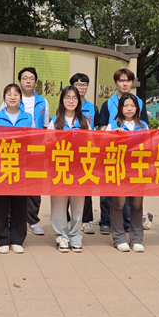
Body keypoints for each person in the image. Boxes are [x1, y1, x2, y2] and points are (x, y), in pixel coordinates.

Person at [96, 68, 151, 236]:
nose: (124, 83)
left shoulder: (139, 102)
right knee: (108, 191)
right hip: (113, 154)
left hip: (134, 158)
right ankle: (106, 221)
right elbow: (103, 128)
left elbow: (145, 129)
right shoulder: (108, 103)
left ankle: (126, 223)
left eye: (128, 80)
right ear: (116, 83)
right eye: (121, 80)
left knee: (129, 193)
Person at [0, 84, 32, 254]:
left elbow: (34, 141)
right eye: (9, 94)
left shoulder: (28, 118)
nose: (12, 97)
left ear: (20, 98)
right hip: (0, 166)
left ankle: (17, 239)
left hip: (21, 166)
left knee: (19, 204)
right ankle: (2, 240)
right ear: (4, 98)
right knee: (0, 204)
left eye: (16, 94)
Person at [47, 86, 90, 253]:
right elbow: (48, 145)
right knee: (58, 204)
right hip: (60, 168)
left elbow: (93, 144)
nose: (70, 101)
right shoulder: (55, 122)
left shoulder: (85, 122)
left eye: (74, 98)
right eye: (67, 97)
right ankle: (61, 235)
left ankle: (75, 235)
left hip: (79, 169)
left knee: (78, 204)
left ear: (79, 101)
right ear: (62, 100)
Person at [106, 93, 148, 252]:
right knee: (118, 203)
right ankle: (119, 238)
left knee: (136, 204)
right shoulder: (112, 124)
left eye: (132, 105)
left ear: (137, 108)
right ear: (120, 108)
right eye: (126, 105)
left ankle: (137, 239)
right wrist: (113, 136)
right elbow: (104, 146)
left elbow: (149, 145)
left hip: (138, 170)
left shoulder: (143, 125)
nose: (129, 109)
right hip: (119, 170)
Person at [17, 67, 49, 235]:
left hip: (36, 149)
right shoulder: (13, 98)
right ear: (19, 81)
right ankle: (15, 219)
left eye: (31, 78)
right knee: (16, 183)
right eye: (25, 78)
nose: (28, 81)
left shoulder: (43, 102)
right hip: (16, 149)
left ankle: (33, 220)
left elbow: (45, 127)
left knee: (35, 185)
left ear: (36, 82)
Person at [70, 73, 98, 234]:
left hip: (86, 152)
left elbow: (98, 130)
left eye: (84, 84)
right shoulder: (65, 107)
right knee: (66, 185)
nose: (81, 87)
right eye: (78, 84)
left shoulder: (93, 108)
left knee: (86, 186)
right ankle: (68, 218)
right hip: (67, 153)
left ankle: (86, 220)